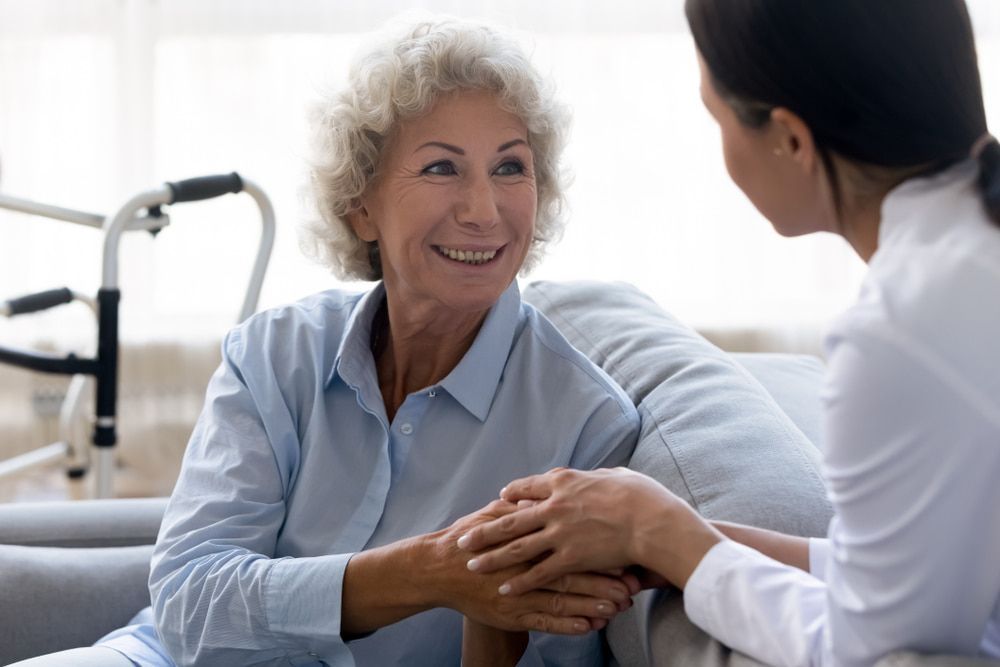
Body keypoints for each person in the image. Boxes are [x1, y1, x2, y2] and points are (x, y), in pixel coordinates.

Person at [14, 17, 640, 667]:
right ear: (359, 205)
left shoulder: (585, 424)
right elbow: (187, 601)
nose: (483, 209)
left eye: (510, 166)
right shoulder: (271, 355)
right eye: (440, 168)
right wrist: (427, 571)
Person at [458, 1, 1000, 665]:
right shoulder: (963, 263)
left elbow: (869, 647)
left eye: (715, 117)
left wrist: (656, 528)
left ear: (791, 140)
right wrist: (680, 536)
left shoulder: (902, 331)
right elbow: (908, 585)